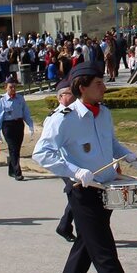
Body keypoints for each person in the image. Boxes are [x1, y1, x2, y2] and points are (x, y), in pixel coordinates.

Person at [32, 62, 137, 273]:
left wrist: (127, 154)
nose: (104, 87)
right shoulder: (63, 118)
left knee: (84, 250)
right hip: (83, 193)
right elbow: (42, 153)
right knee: (105, 254)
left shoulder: (103, 113)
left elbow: (111, 142)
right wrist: (74, 171)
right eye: (99, 83)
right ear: (82, 87)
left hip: (105, 190)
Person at [47, 79, 78, 242]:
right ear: (60, 97)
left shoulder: (76, 113)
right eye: (69, 94)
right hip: (64, 162)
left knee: (78, 195)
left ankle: (64, 226)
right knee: (78, 194)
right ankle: (82, 233)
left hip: (78, 161)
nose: (73, 97)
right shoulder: (56, 117)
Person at [0, 76, 34, 179]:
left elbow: (26, 113)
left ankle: (11, 170)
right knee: (13, 148)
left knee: (16, 148)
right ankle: (18, 172)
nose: (13, 89)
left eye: (14, 87)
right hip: (8, 126)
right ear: (5, 88)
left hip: (19, 124)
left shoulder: (20, 98)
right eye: (10, 87)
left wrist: (30, 125)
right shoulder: (2, 100)